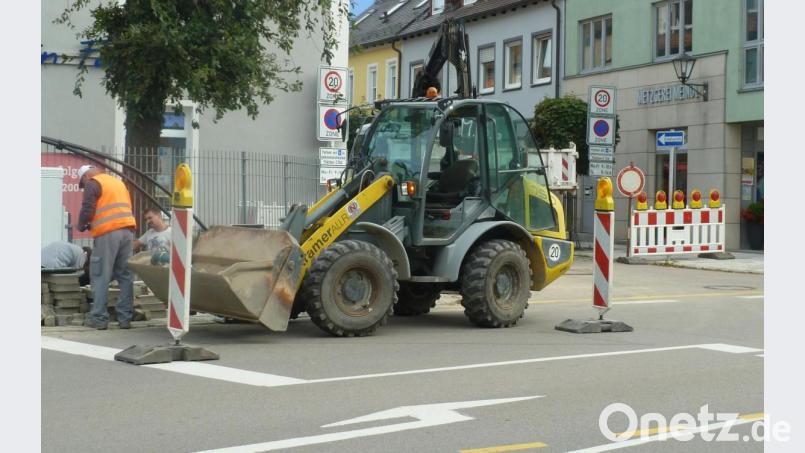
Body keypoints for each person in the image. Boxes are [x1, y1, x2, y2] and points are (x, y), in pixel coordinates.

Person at [76, 165, 137, 330]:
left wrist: (80, 225)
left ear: (86, 176)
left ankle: (99, 319)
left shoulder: (93, 182)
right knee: (125, 276)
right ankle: (125, 319)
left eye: (83, 182)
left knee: (100, 274)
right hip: (127, 232)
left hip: (108, 233)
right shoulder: (118, 182)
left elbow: (88, 208)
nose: (84, 185)